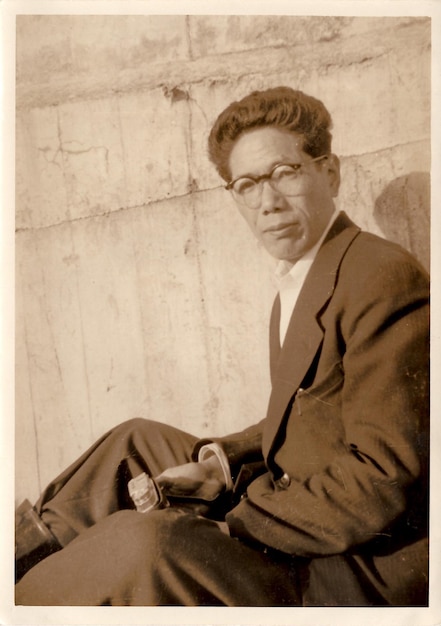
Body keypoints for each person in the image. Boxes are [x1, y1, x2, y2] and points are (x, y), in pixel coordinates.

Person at [15, 86, 429, 606]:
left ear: (331, 173)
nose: (268, 202)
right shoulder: (302, 282)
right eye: (248, 184)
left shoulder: (380, 275)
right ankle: (15, 560)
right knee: (133, 444)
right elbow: (308, 419)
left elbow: (383, 479)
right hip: (296, 503)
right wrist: (219, 465)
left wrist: (234, 521)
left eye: (286, 173)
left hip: (343, 570)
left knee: (142, 540)